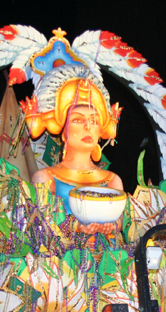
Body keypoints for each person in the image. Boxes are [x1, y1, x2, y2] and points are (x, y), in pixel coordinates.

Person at [22, 65, 123, 234]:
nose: (88, 127)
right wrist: (74, 227)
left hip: (107, 258)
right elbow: (40, 220)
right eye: (78, 120)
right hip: (59, 258)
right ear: (64, 133)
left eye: (94, 121)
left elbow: (122, 221)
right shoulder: (46, 177)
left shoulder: (112, 180)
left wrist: (112, 226)